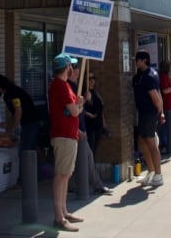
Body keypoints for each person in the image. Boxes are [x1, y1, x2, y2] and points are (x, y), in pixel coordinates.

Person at [48, 53, 85, 232]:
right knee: (61, 175)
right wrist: (78, 105)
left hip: (68, 135)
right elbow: (75, 111)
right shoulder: (60, 86)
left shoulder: (64, 86)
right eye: (72, 65)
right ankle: (59, 217)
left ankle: (64, 211)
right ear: (67, 67)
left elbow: (75, 109)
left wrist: (78, 105)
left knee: (65, 175)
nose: (74, 68)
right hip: (63, 136)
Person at [68, 63, 112, 195]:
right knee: (79, 159)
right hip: (76, 130)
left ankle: (81, 185)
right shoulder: (71, 88)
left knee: (86, 157)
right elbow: (73, 110)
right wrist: (85, 102)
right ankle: (80, 185)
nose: (77, 72)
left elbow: (79, 110)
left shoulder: (78, 88)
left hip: (82, 129)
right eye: (76, 70)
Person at [0, 74, 41, 183]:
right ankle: (33, 177)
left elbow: (18, 111)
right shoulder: (12, 92)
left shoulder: (12, 94)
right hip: (30, 122)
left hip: (30, 123)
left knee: (25, 151)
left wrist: (12, 128)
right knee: (30, 150)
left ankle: (24, 181)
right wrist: (7, 124)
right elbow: (15, 113)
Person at [133, 51, 164, 187]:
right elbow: (159, 93)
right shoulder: (143, 75)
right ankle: (151, 171)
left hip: (149, 114)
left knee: (151, 143)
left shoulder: (149, 76)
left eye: (137, 60)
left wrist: (159, 113)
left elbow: (156, 97)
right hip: (144, 113)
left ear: (144, 60)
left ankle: (158, 175)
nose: (135, 62)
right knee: (141, 140)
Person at [84, 72, 107, 156]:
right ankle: (90, 168)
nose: (91, 81)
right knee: (90, 151)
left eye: (93, 78)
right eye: (89, 79)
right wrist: (88, 113)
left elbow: (101, 110)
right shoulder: (84, 93)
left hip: (98, 126)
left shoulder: (95, 92)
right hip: (90, 127)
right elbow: (81, 108)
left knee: (94, 150)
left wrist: (104, 123)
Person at [157, 60, 171, 155]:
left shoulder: (165, 77)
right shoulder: (163, 77)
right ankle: (165, 145)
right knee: (166, 128)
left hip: (169, 105)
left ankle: (166, 145)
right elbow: (165, 91)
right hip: (167, 106)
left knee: (166, 128)